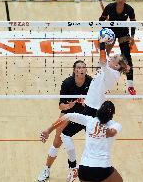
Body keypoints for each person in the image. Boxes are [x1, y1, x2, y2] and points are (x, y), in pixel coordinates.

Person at [39, 32, 129, 182]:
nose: (111, 58)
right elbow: (105, 57)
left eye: (115, 58)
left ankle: (76, 168)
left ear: (117, 65)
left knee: (68, 135)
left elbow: (102, 58)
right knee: (67, 135)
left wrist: (102, 43)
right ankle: (75, 168)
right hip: (89, 109)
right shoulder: (110, 69)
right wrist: (105, 43)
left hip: (93, 111)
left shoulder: (111, 73)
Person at [40, 101, 123, 182]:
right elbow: (111, 133)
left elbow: (66, 116)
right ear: (112, 115)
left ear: (99, 111)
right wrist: (101, 127)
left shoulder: (89, 120)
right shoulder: (115, 124)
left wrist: (49, 130)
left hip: (84, 170)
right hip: (103, 168)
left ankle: (76, 169)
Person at [37, 60, 92, 182]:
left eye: (83, 67)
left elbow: (96, 102)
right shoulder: (67, 83)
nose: (81, 69)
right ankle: (46, 169)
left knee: (93, 142)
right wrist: (69, 106)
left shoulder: (91, 82)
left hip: (86, 114)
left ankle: (85, 170)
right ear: (74, 70)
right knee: (57, 141)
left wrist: (87, 104)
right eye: (79, 67)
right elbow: (61, 106)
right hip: (69, 112)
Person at [99, 0, 137, 95]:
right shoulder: (109, 7)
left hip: (123, 33)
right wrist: (107, 30)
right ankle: (101, 83)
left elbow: (133, 24)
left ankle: (130, 86)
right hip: (111, 32)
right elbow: (101, 20)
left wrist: (132, 37)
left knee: (127, 58)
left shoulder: (129, 9)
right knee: (104, 58)